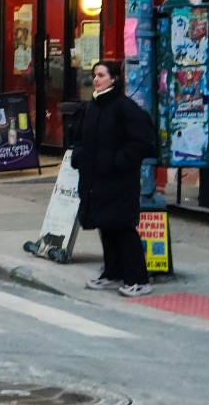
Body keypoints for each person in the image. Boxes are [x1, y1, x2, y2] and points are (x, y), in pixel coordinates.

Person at [72, 59, 158, 297]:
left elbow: (142, 140)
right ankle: (112, 273)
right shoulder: (92, 106)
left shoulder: (124, 107)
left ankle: (138, 279)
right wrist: (79, 157)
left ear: (113, 79)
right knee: (105, 226)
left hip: (119, 180)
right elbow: (79, 137)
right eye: (94, 75)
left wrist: (118, 162)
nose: (96, 80)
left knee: (122, 227)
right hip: (96, 179)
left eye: (101, 75)